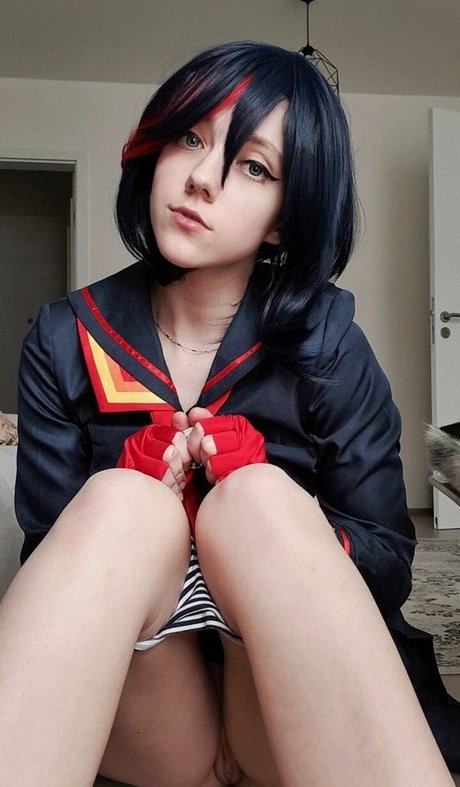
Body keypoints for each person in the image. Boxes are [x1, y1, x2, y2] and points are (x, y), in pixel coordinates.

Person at [0, 40, 457, 786]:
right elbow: (51, 566)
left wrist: (275, 519)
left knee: (258, 499)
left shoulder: (329, 341)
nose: (201, 179)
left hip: (285, 706)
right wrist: (139, 495)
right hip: (151, 714)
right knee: (119, 502)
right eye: (190, 137)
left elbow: (387, 560)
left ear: (282, 218)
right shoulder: (64, 336)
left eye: (254, 167)